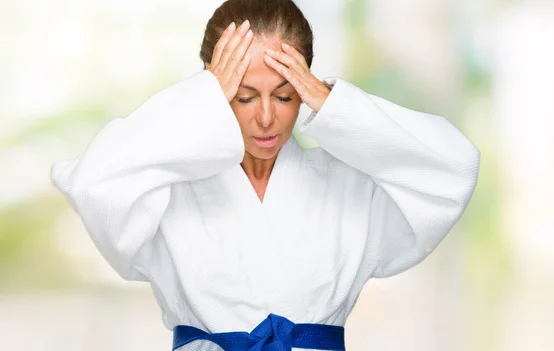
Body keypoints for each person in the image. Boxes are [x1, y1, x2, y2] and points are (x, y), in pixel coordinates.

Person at [50, 0, 480, 350]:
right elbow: (93, 184)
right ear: (212, 90)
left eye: (286, 94)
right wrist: (199, 102)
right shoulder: (167, 191)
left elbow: (453, 167)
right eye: (243, 96)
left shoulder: (349, 186)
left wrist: (334, 103)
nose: (267, 118)